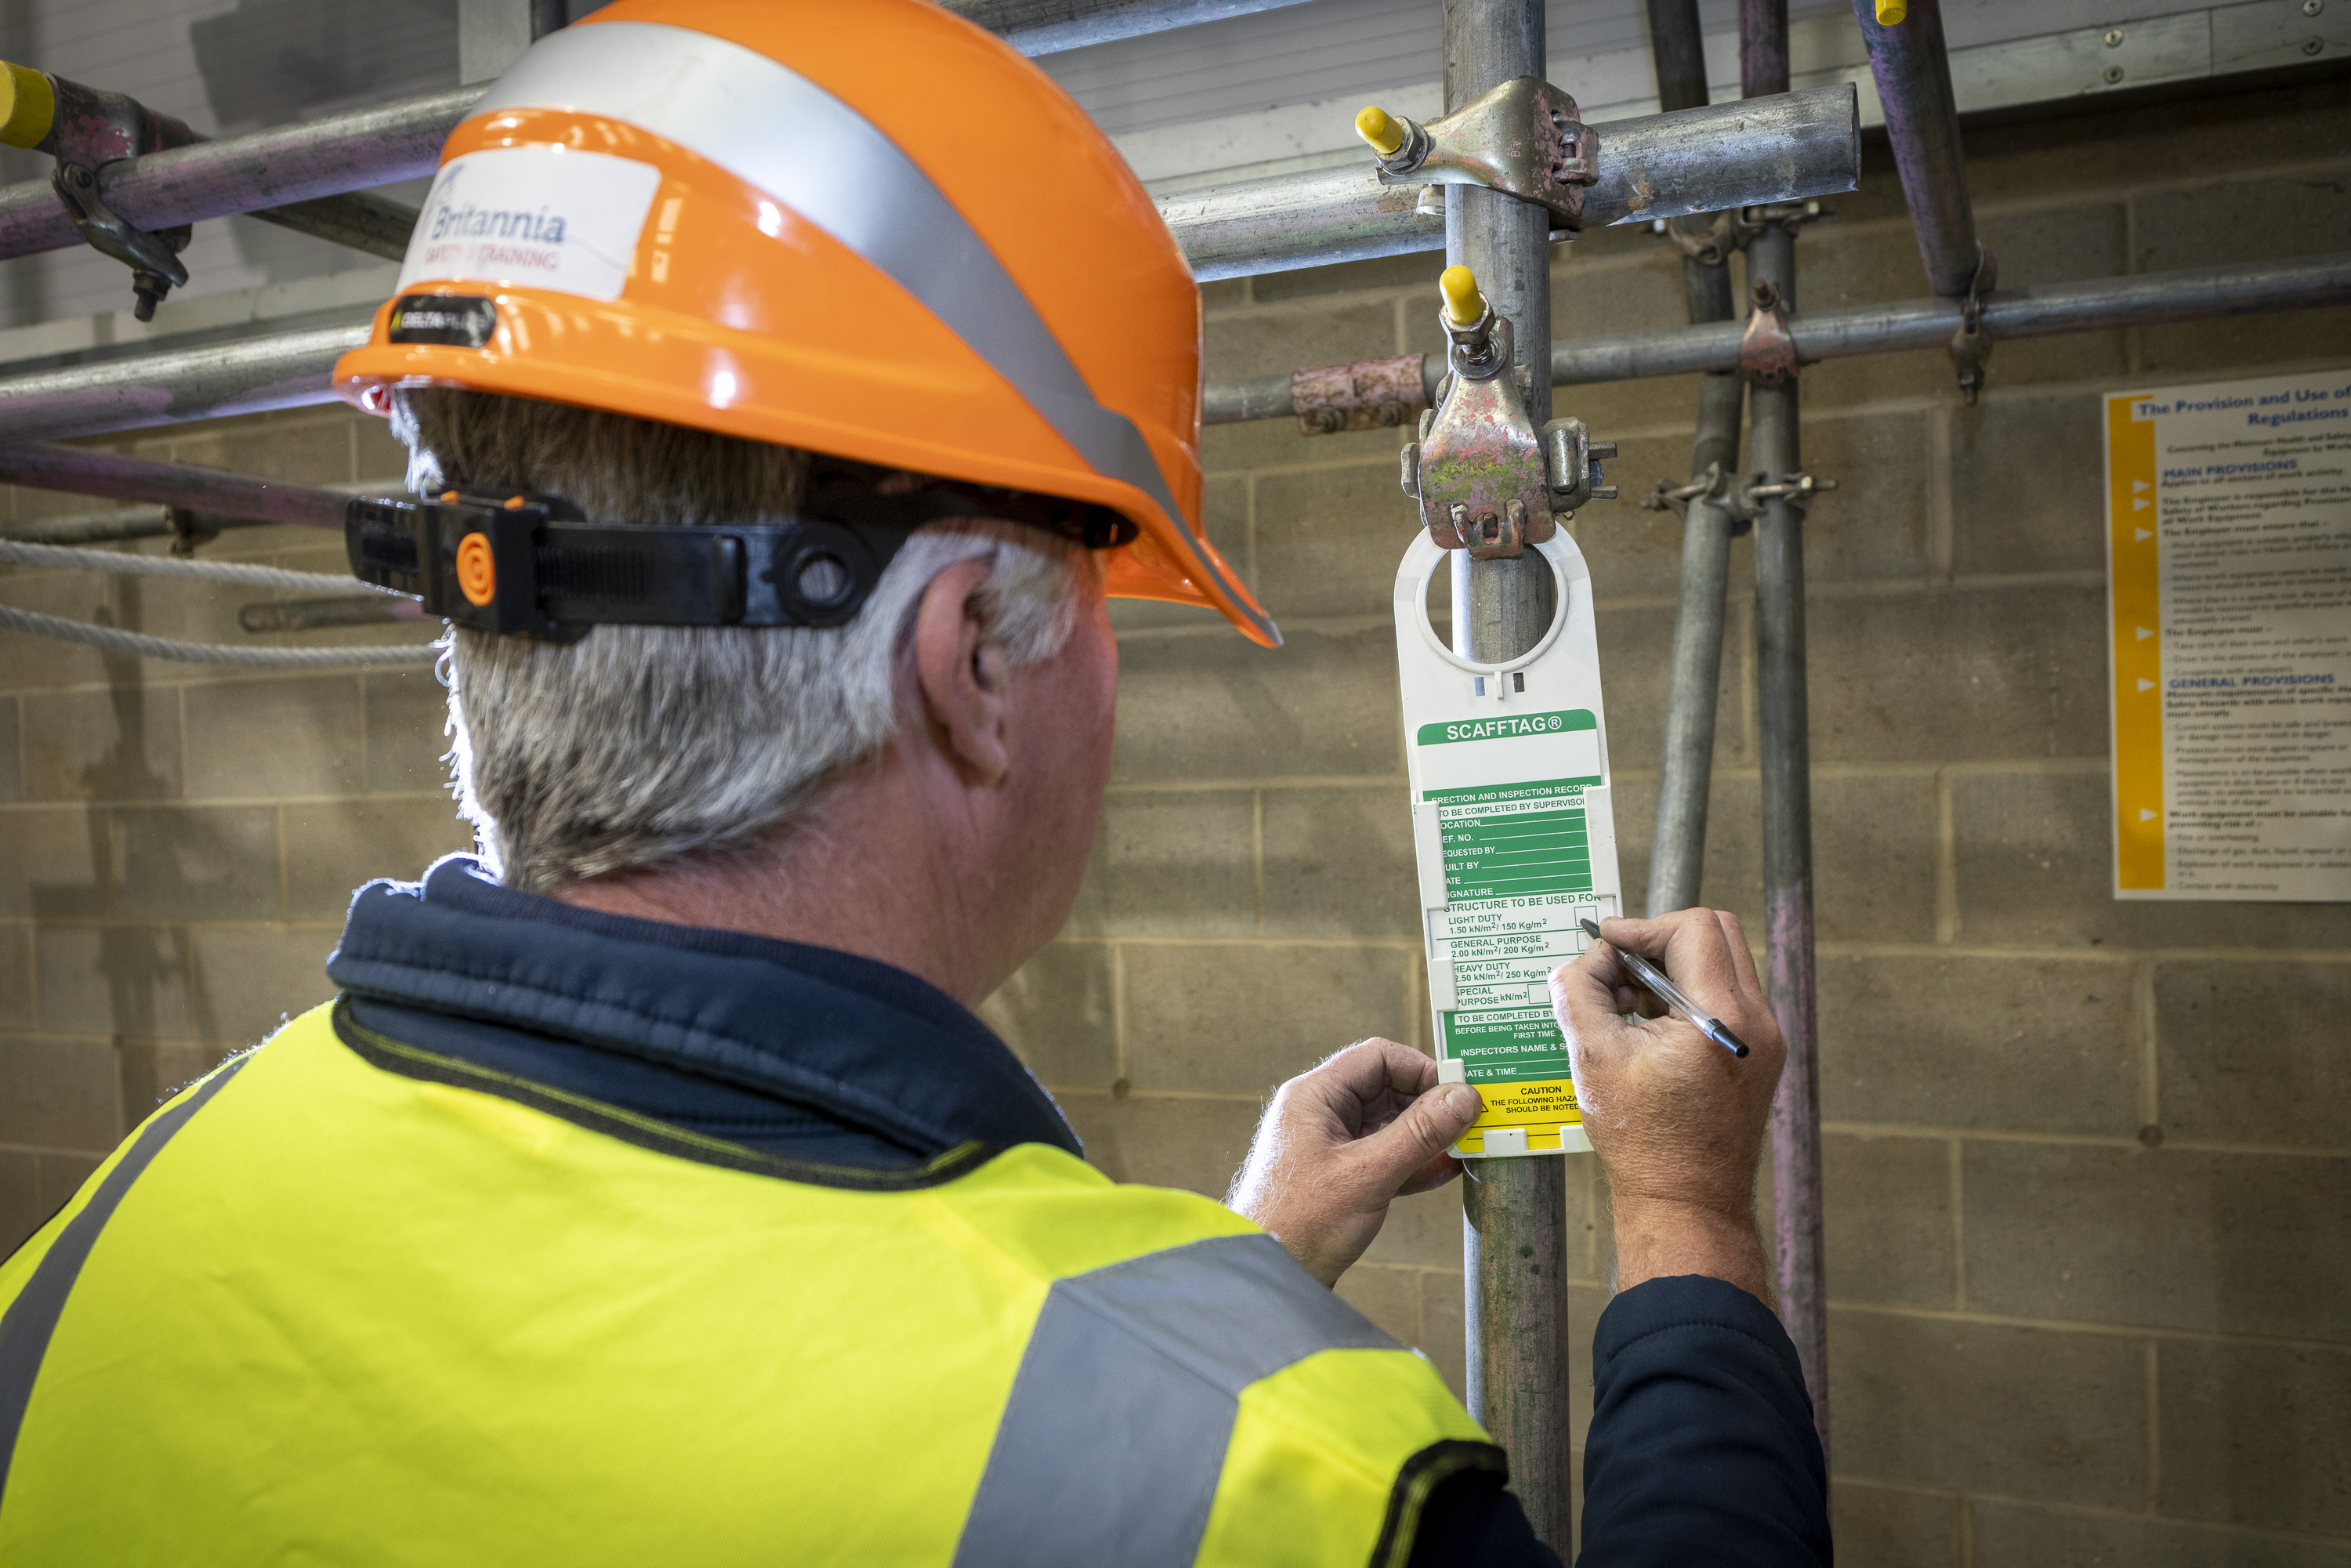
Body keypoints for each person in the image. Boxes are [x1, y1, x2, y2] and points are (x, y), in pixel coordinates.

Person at [0, 2, 1828, 1562]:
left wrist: (1223, 1270)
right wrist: (1686, 1214)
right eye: (1109, 587)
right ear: (969, 665)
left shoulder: (101, 1248)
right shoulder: (1296, 1484)